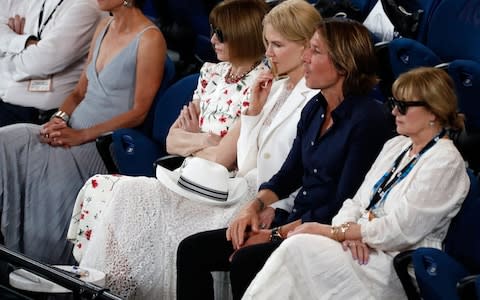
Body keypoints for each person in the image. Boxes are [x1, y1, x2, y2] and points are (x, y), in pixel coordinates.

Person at [176, 18, 395, 300]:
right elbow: (289, 174)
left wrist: (276, 235)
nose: (305, 57)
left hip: (324, 232)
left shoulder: (369, 120)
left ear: (343, 64)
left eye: (315, 51)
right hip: (293, 220)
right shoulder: (315, 108)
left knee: (247, 260)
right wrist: (252, 208)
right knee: (192, 249)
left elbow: (343, 201)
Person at [67, 0, 272, 298]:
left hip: (225, 189)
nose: (212, 39)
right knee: (100, 187)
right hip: (188, 174)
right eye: (213, 31)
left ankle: (116, 287)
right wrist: (206, 141)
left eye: (221, 34)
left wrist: (199, 143)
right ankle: (109, 284)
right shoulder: (212, 73)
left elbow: (226, 158)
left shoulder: (261, 84)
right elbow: (171, 140)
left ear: (244, 35)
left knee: (122, 192)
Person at [243, 67, 470, 299]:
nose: (393, 111)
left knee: (296, 248)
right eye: (393, 102)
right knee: (294, 254)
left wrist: (340, 232)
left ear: (433, 112)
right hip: (361, 247)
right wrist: (347, 232)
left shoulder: (445, 162)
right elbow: (355, 201)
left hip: (394, 263)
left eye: (403, 106)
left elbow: (401, 230)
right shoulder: (396, 146)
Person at [0, 0, 166, 267]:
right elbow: (78, 93)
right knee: (8, 140)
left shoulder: (150, 39)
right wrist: (59, 118)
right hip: (71, 129)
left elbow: (139, 112)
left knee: (44, 175)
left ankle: (42, 269)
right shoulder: (103, 25)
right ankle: (8, 250)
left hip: (101, 143)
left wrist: (81, 135)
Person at [0, 0, 104, 126]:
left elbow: (40, 63)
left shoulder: (87, 7)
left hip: (38, 116)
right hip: (7, 103)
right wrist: (26, 42)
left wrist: (7, 53)